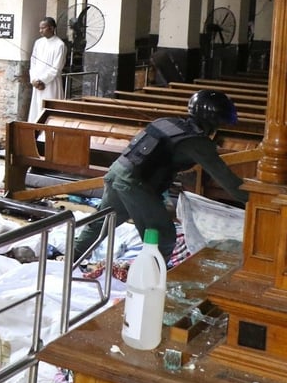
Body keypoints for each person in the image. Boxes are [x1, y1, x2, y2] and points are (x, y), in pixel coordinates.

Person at [73, 89, 248, 263]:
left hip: (117, 172)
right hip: (134, 183)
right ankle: (150, 281)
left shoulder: (166, 122)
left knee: (103, 223)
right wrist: (254, 200)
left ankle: (70, 258)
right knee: (162, 236)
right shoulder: (198, 143)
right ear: (214, 121)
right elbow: (228, 181)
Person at [28, 17, 67, 123]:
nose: (40, 31)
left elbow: (57, 67)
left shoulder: (60, 45)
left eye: (43, 28)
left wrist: (42, 80)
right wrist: (34, 80)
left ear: (52, 28)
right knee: (37, 108)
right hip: (37, 83)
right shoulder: (38, 43)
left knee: (50, 109)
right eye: (39, 28)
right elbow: (33, 62)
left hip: (50, 83)